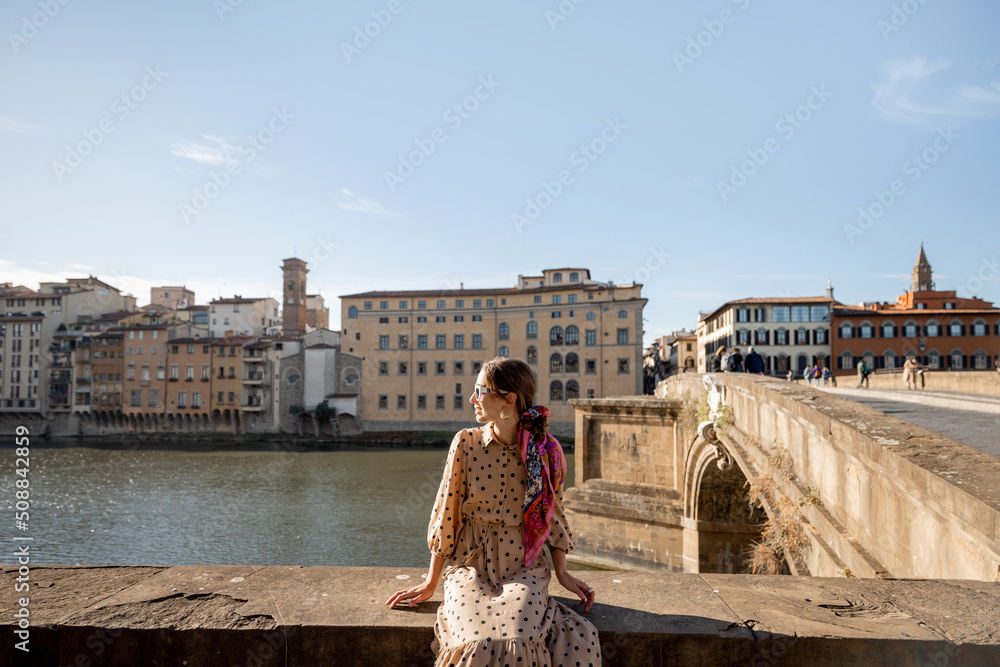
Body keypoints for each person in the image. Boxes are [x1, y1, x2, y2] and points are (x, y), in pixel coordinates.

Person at [386, 357, 600, 666]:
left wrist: (563, 572)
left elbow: (554, 513)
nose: (472, 399)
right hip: (469, 564)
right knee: (475, 641)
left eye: (480, 390)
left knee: (520, 638)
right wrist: (432, 581)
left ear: (509, 399)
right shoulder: (465, 443)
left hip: (523, 565)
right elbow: (448, 513)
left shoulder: (545, 449)